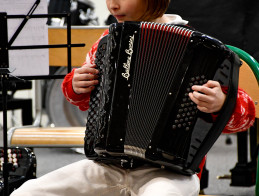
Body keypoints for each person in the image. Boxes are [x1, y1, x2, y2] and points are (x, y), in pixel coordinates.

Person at [11, 0, 255, 195]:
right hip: (107, 164)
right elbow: (82, 99)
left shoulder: (201, 50)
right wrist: (76, 85)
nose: (112, 5)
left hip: (169, 172)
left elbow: (245, 117)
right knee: (30, 191)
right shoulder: (107, 43)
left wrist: (221, 104)